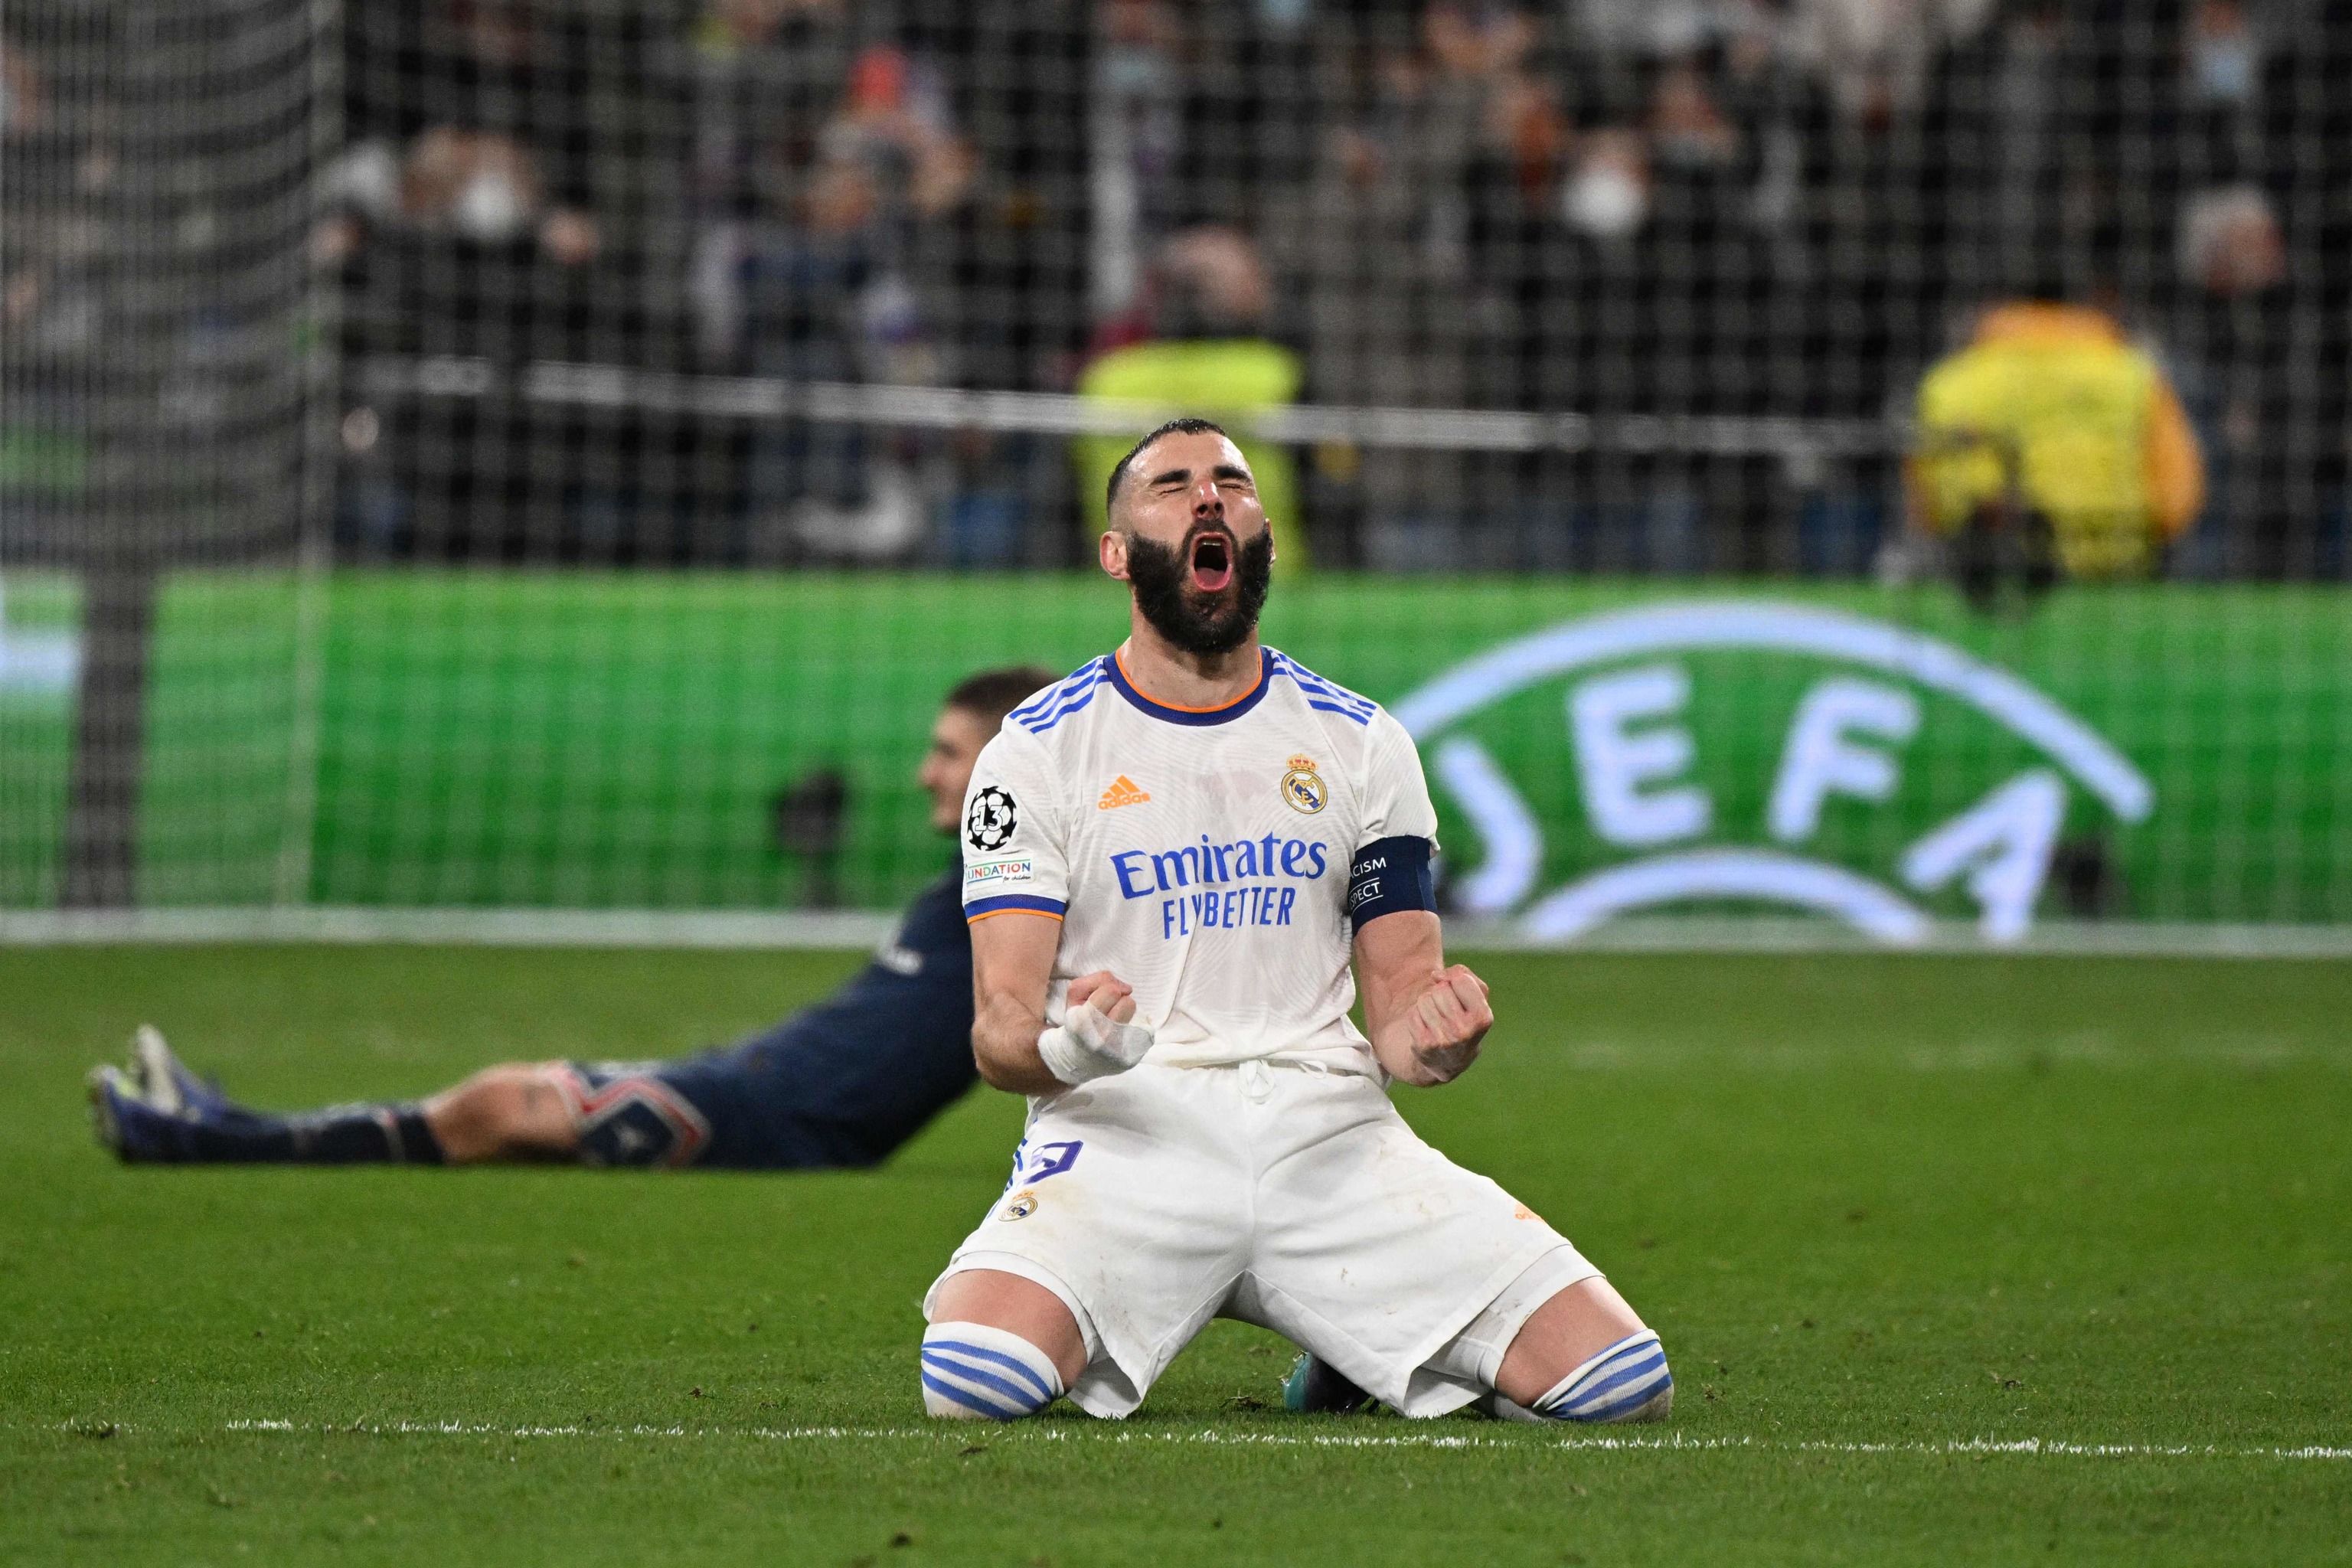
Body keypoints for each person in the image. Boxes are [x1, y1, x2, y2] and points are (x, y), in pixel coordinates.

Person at [916, 418, 1671, 1426]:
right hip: (1128, 1140)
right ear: (1114, 552)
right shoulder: (1038, 751)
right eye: (1172, 484)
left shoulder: (1362, 742)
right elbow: (998, 1032)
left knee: (1621, 1390)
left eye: (1231, 480)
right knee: (974, 1385)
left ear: (1260, 530)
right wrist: (1071, 1045)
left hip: (1332, 1140)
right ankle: (1378, 1355)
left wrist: (1437, 1040)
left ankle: (1355, 1361)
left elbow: (1402, 1004)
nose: (1209, 497)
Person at [87, 667, 1059, 1171]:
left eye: (946, 750)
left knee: (499, 1103)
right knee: (499, 1122)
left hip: (782, 1121)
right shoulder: (974, 875)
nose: (924, 771)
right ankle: (225, 1124)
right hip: (753, 1085)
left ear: (1006, 757)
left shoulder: (1032, 885)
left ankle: (208, 1139)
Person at [1908, 288, 2207, 594]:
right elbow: (2177, 503)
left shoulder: (1949, 383)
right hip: (2118, 587)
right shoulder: (2136, 377)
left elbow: (1926, 505)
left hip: (1989, 588)